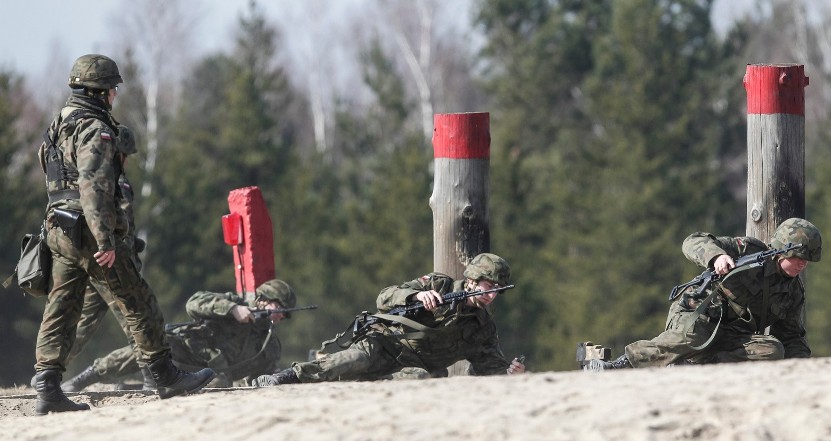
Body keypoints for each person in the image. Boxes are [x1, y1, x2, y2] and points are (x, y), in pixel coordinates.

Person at [33, 53, 214, 415]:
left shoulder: (58, 124)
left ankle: (47, 386)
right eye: (112, 89)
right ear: (99, 92)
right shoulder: (94, 129)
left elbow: (54, 176)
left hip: (58, 226)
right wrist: (105, 240)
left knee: (62, 307)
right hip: (88, 229)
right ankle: (164, 375)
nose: (115, 95)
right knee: (138, 301)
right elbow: (94, 186)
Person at [252, 253, 526, 387]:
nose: (490, 294)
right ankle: (283, 378)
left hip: (411, 366)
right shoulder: (438, 285)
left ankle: (360, 383)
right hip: (384, 343)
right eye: (486, 285)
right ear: (470, 280)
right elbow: (384, 297)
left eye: (496, 289)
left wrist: (508, 371)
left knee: (419, 380)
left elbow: (488, 365)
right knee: (350, 361)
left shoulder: (482, 328)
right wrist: (417, 298)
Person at [585, 218, 822, 371]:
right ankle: (623, 365)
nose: (802, 265)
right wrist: (717, 256)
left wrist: (801, 372)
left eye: (806, 260)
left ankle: (694, 367)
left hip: (733, 338)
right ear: (781, 251)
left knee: (773, 350)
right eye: (797, 258)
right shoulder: (747, 250)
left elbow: (792, 339)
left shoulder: (792, 292)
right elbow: (693, 242)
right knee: (695, 337)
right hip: (699, 314)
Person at [62, 279, 299, 390]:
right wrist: (233, 310)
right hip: (187, 348)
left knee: (218, 382)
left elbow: (263, 377)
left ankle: (137, 389)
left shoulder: (269, 345)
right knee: (152, 349)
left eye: (284, 315)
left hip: (208, 374)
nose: (280, 317)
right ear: (263, 299)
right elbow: (195, 303)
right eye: (279, 308)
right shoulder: (235, 302)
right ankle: (88, 377)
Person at [58, 125, 153, 392]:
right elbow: (120, 223)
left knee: (81, 324)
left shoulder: (92, 178)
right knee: (137, 317)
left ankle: (48, 372)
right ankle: (151, 376)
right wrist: (129, 249)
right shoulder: (116, 183)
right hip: (113, 264)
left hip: (94, 260)